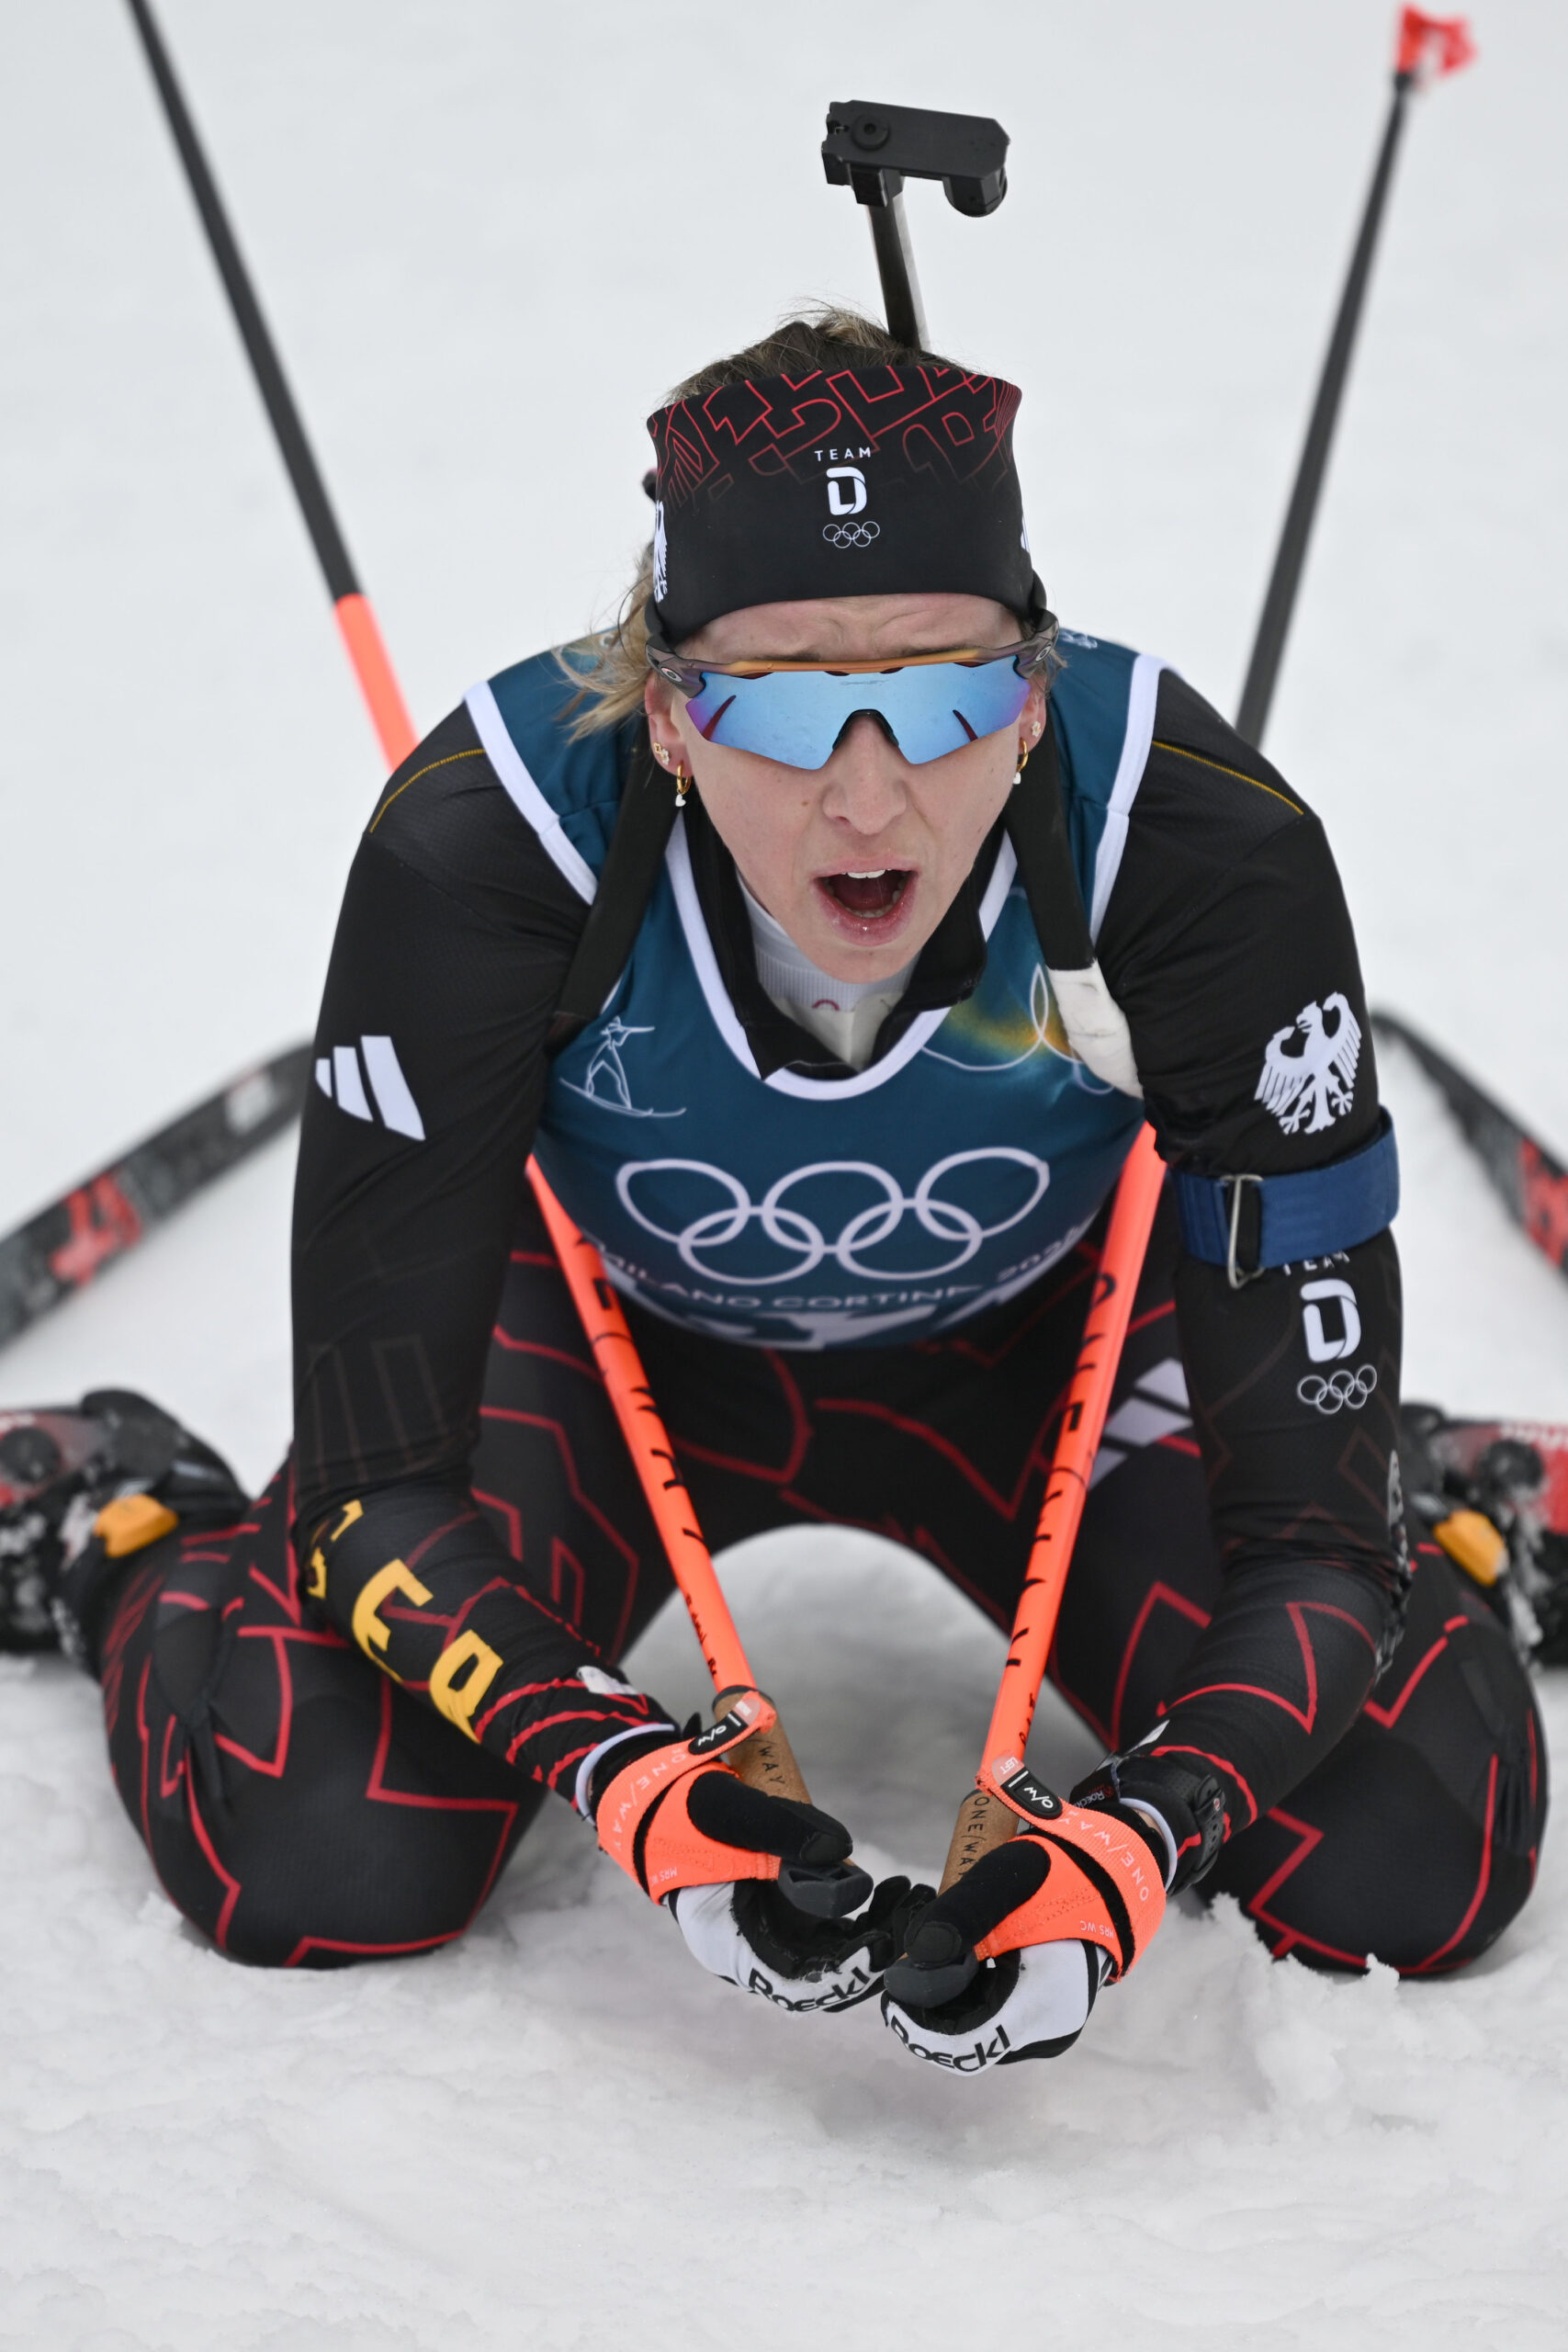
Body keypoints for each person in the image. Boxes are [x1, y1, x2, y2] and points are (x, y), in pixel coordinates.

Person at [0, 311, 1547, 2068]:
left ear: (1033, 691)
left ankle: (1449, 1489)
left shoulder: (1187, 841)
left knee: (1419, 1846)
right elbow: (382, 1494)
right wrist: (636, 1783)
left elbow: (1314, 1559)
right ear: (666, 712)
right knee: (310, 1834)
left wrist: (1132, 1842)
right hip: (611, 1342)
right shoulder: (492, 837)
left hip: (1061, 1348)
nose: (868, 794)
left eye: (948, 687)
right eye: (778, 701)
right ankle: (119, 1521)